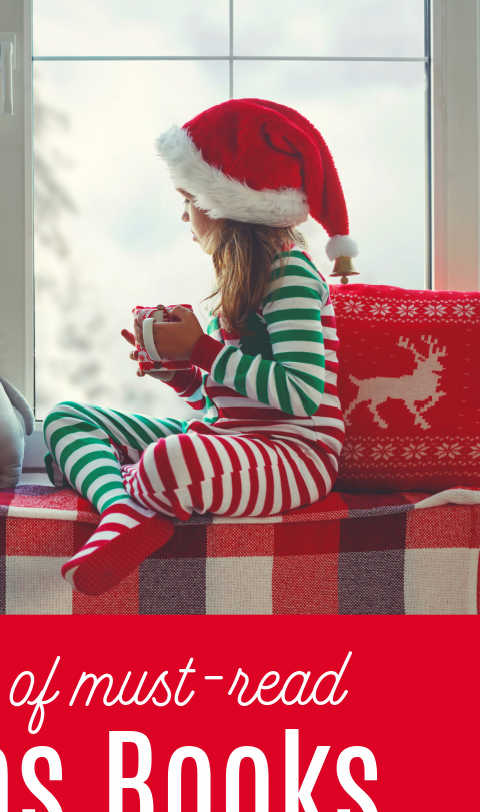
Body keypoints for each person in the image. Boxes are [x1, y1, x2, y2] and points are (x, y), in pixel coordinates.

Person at [43, 98, 354, 595]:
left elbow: (301, 393)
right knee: (64, 418)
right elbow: (225, 406)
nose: (184, 216)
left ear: (227, 205)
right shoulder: (237, 283)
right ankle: (123, 507)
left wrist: (203, 350)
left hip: (297, 455)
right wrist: (184, 376)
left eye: (189, 200)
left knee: (169, 461)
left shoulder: (290, 273)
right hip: (229, 436)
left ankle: (123, 486)